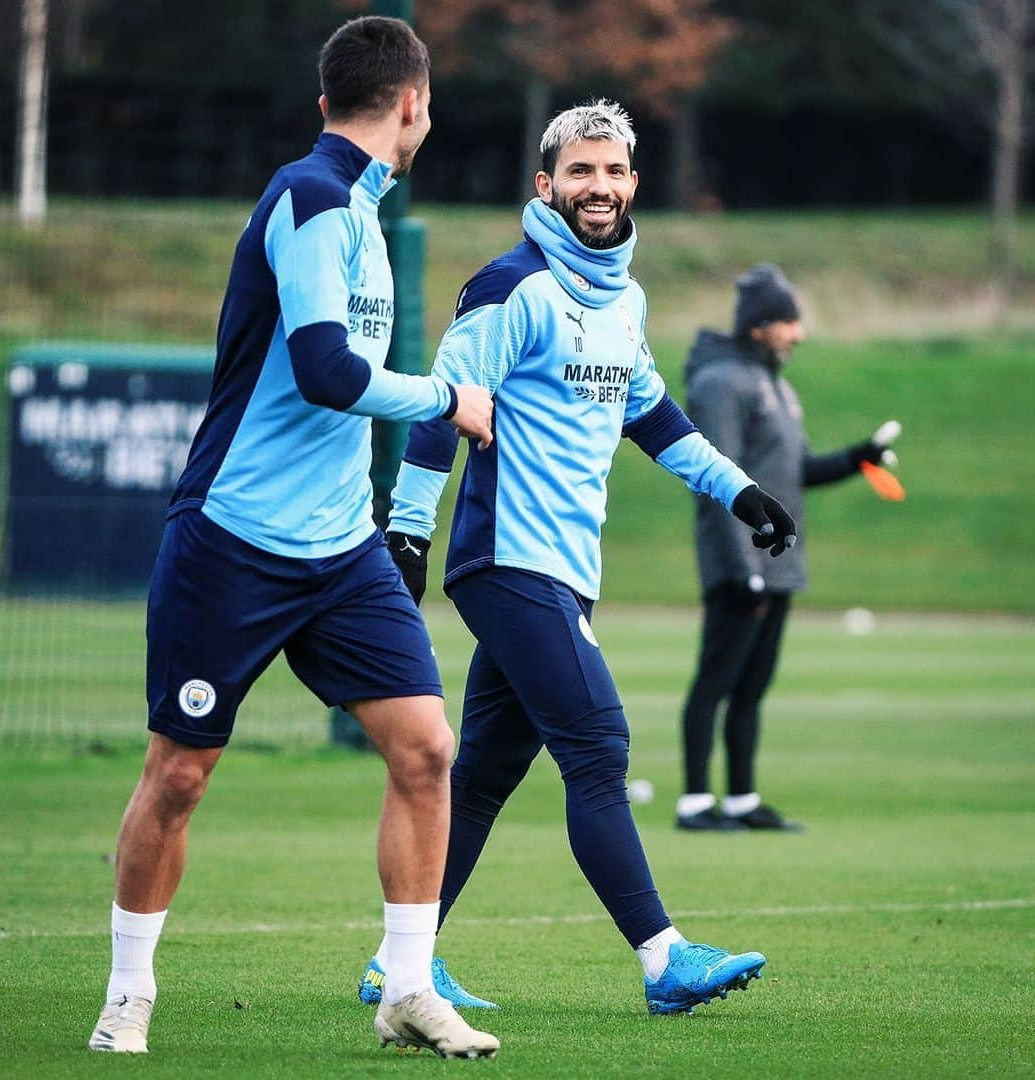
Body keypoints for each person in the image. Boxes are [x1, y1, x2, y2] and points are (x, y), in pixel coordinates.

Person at [87, 16, 500, 1060]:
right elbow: (326, 370)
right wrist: (448, 396)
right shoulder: (312, 199)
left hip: (338, 550)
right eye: (429, 104)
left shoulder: (361, 212)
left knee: (426, 749)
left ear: (328, 99)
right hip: (232, 539)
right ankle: (128, 993)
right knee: (178, 776)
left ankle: (407, 987)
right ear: (411, 104)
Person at [356, 100, 798, 1016]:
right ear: (546, 184)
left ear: (634, 184)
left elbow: (656, 420)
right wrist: (407, 530)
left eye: (615, 171)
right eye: (581, 171)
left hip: (563, 571)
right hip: (506, 562)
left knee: (478, 776)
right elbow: (449, 403)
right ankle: (664, 959)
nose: (599, 187)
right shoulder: (510, 287)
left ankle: (399, 963)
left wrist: (742, 492)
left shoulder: (623, 300)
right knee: (598, 747)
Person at [676, 264, 901, 832]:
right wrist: (742, 565)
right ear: (758, 327)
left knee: (752, 687)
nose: (798, 333)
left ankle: (743, 801)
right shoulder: (721, 383)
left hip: (776, 564)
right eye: (788, 321)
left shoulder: (775, 383)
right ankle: (696, 803)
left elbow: (794, 470)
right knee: (715, 681)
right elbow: (713, 477)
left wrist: (859, 457)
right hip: (740, 561)